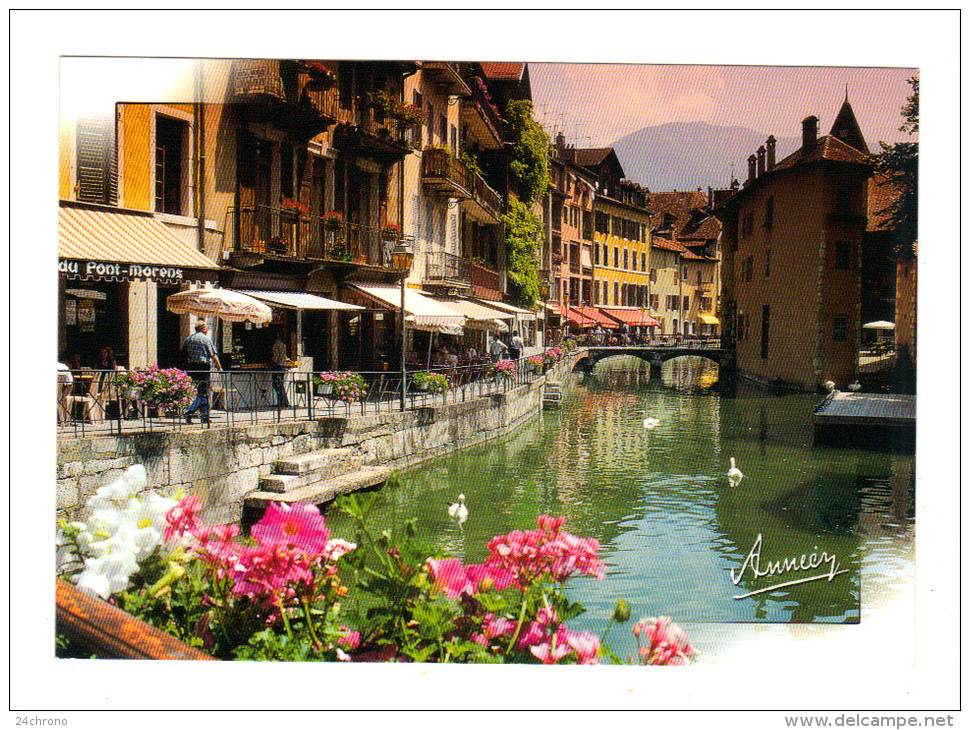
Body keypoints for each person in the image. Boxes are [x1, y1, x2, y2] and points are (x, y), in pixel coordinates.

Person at [183, 320, 222, 424]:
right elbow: (213, 355)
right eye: (207, 328)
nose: (208, 329)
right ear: (203, 329)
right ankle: (190, 412)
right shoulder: (205, 339)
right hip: (203, 367)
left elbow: (183, 354)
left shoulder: (189, 339)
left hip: (192, 367)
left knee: (200, 391)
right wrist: (219, 368)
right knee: (203, 393)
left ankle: (204, 417)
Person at [271, 329, 290, 409]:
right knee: (280, 384)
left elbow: (276, 357)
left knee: (276, 384)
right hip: (283, 366)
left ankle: (282, 402)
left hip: (277, 366)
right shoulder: (283, 345)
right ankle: (283, 401)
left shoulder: (276, 345)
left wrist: (272, 362)